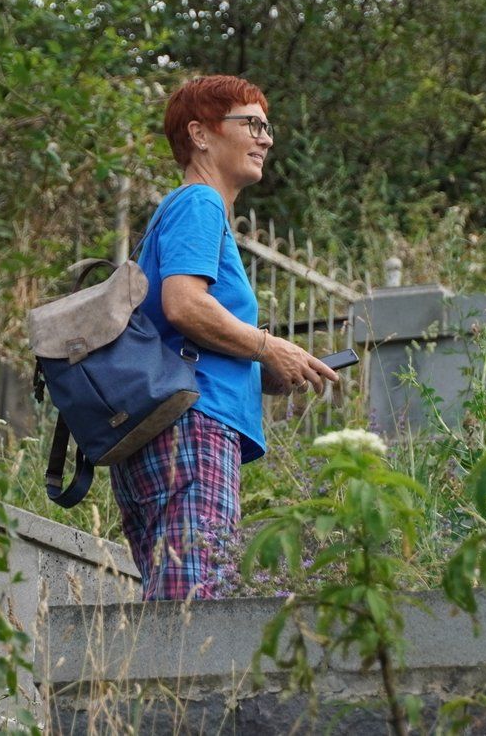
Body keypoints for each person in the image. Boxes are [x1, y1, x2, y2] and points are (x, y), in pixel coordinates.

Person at [112, 75, 339, 600]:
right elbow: (184, 305)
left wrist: (272, 368)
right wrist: (268, 346)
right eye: (252, 124)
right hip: (194, 425)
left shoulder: (183, 210)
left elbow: (176, 327)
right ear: (201, 134)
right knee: (195, 605)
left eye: (268, 127)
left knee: (173, 596)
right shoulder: (200, 203)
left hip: (168, 426)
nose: (266, 139)